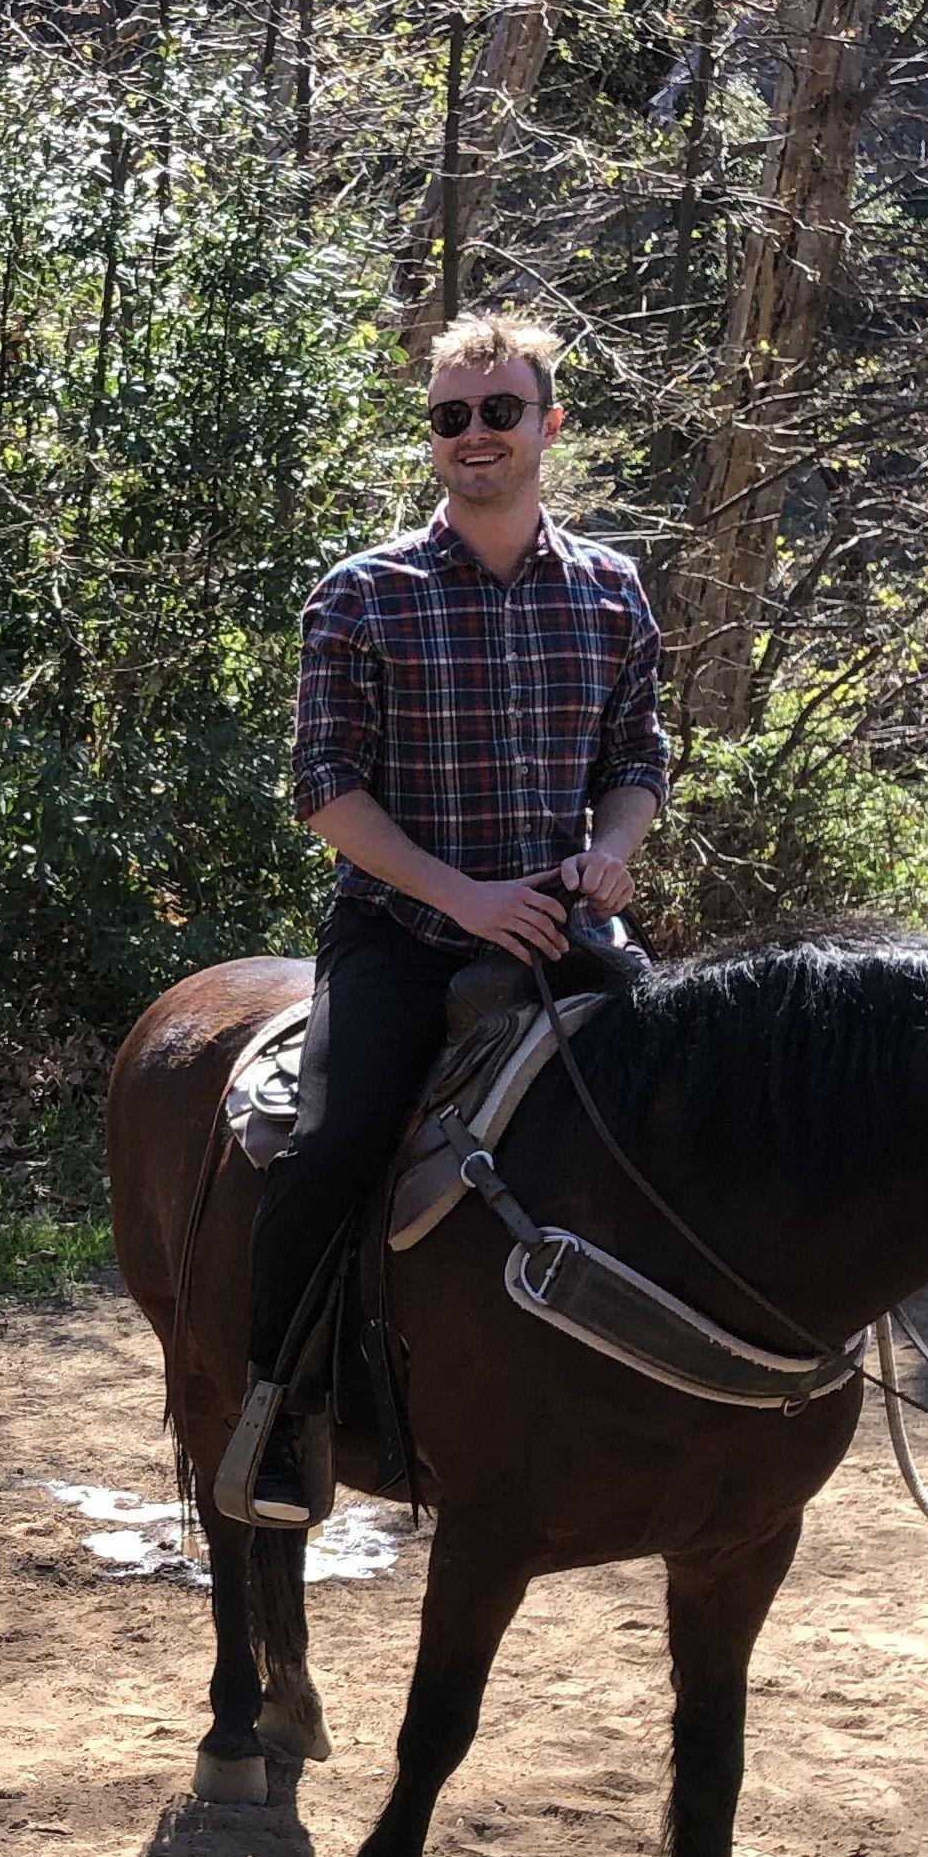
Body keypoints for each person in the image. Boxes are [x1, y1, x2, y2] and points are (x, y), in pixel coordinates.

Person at [217, 308, 669, 1527]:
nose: (476, 434)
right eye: (452, 417)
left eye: (501, 411)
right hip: (403, 939)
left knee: (693, 1119)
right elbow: (327, 787)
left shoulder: (613, 593)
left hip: (567, 937)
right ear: (435, 438)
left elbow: (638, 761)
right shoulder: (364, 595)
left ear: (548, 425)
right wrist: (464, 897)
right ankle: (275, 1410)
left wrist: (613, 853)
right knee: (334, 1150)